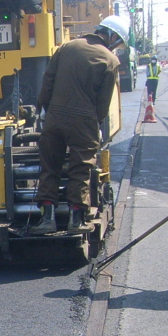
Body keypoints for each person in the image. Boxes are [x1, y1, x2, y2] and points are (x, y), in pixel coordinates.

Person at [32, 14, 128, 235]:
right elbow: (103, 103)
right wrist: (95, 124)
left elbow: (48, 82)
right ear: (112, 36)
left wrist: (46, 111)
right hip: (84, 120)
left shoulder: (67, 47)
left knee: (50, 166)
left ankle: (47, 219)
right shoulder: (110, 61)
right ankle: (76, 219)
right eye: (118, 43)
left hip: (55, 116)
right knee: (81, 168)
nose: (117, 48)